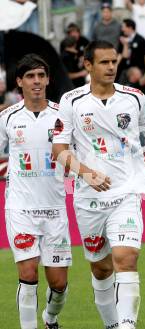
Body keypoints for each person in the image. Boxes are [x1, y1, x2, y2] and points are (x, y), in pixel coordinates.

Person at [52, 40, 145, 329]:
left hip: (127, 193)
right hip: (89, 199)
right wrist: (85, 173)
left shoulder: (134, 98)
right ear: (88, 65)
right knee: (101, 268)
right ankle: (112, 325)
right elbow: (59, 151)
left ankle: (126, 326)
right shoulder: (71, 101)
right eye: (104, 62)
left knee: (126, 257)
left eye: (114, 61)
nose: (111, 67)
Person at [0, 54, 71, 329]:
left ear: (48, 79)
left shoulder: (61, 117)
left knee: (59, 284)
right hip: (20, 208)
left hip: (54, 209)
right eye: (30, 76)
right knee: (28, 275)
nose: (37, 81)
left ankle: (51, 318)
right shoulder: (7, 118)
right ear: (19, 82)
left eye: (41, 75)